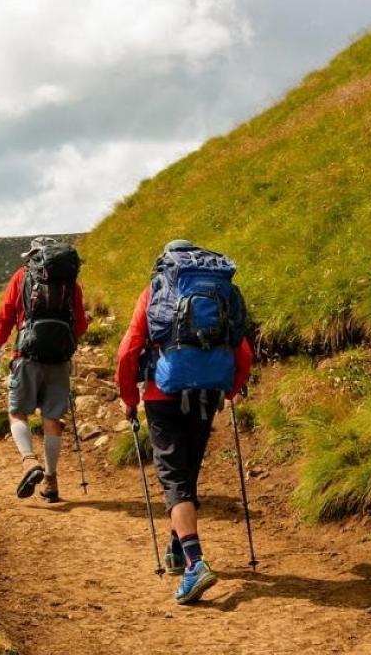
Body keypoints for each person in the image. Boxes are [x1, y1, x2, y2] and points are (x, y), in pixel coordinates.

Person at [115, 239, 253, 605]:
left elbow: (129, 349)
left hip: (163, 395)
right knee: (188, 473)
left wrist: (129, 397)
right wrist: (229, 390)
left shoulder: (155, 292)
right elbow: (243, 350)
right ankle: (177, 549)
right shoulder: (222, 292)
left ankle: (194, 563)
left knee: (174, 480)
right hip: (208, 393)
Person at [0, 236, 89, 503]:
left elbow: (6, 313)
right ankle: (50, 479)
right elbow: (79, 326)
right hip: (59, 358)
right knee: (52, 420)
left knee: (17, 413)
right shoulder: (71, 284)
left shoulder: (22, 276)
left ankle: (28, 461)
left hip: (27, 354)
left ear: (34, 255)